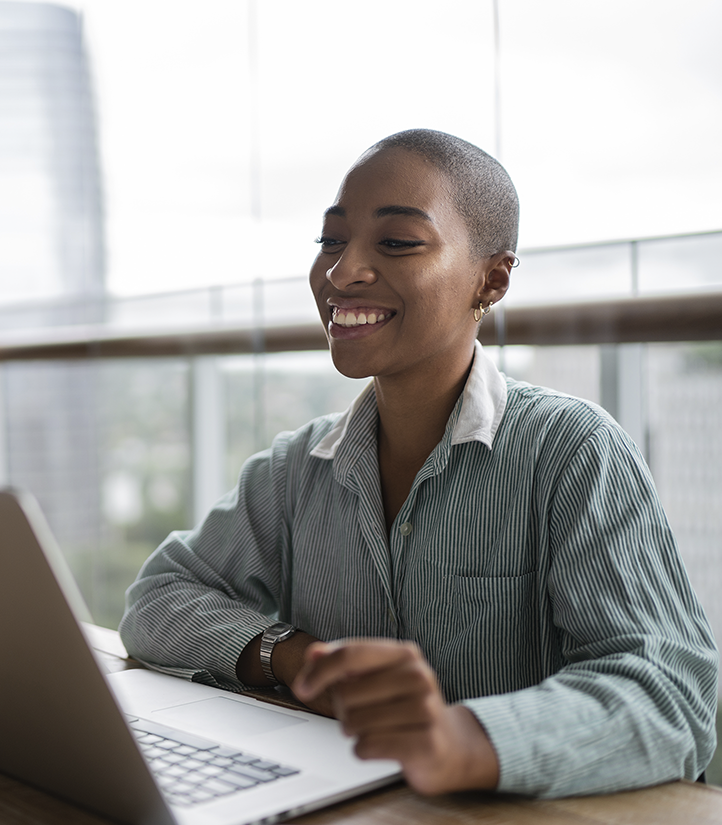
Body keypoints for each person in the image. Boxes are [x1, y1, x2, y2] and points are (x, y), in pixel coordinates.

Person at [118, 129, 718, 797]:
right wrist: (293, 657)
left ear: (490, 279)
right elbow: (156, 600)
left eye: (398, 242)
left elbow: (671, 691)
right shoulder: (297, 468)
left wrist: (466, 738)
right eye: (332, 241)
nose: (342, 272)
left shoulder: (572, 452)